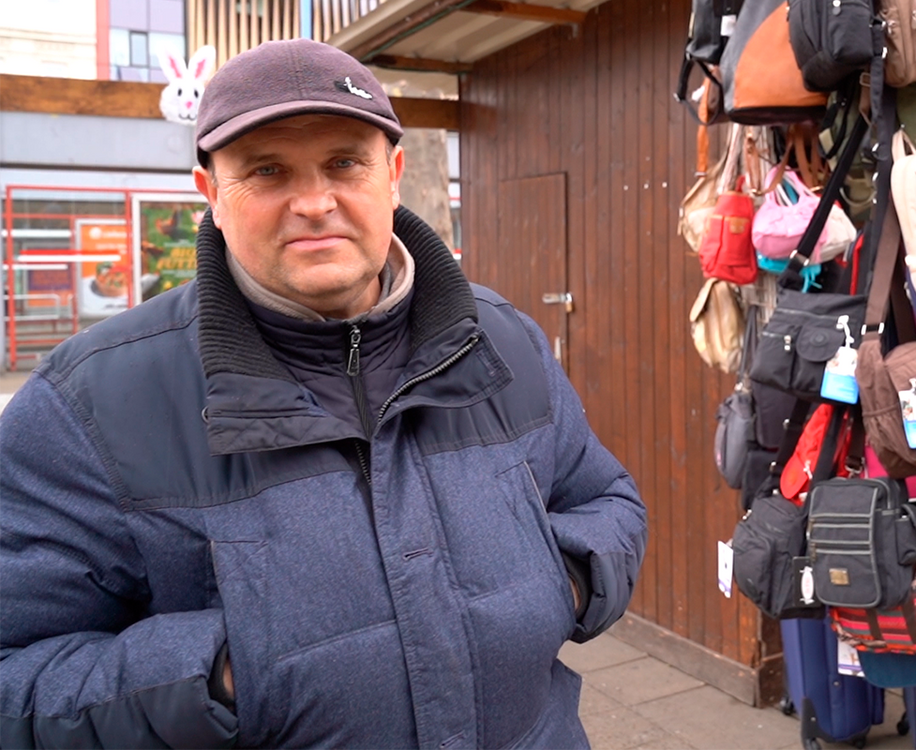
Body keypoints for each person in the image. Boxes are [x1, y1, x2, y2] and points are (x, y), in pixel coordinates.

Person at [0, 39, 647, 749]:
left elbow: (606, 501)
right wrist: (227, 676)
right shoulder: (90, 404)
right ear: (211, 193)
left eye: (344, 163)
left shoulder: (501, 340)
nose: (314, 202)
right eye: (267, 170)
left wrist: (561, 582)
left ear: (392, 176)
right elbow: (18, 674)